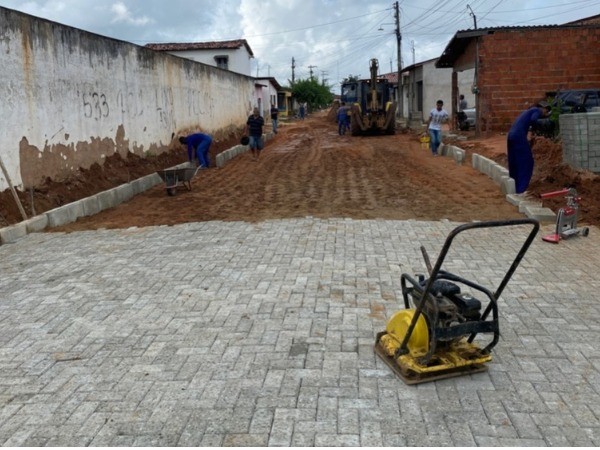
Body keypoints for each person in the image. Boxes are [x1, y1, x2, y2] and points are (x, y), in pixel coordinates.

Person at [507, 101, 551, 194]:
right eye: (546, 111)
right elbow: (534, 120)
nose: (545, 114)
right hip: (519, 136)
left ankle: (513, 186)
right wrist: (539, 127)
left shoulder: (527, 111)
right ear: (543, 108)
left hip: (511, 135)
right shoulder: (537, 110)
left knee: (514, 161)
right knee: (527, 162)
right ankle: (521, 189)